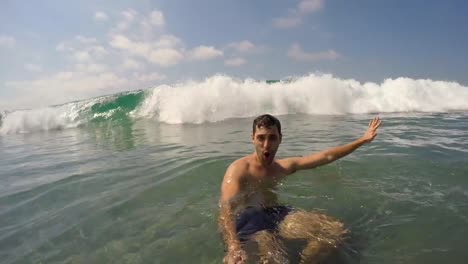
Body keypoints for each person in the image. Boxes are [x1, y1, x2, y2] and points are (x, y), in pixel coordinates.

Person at [218, 114, 382, 264]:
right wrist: (233, 246)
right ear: (252, 138)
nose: (266, 145)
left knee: (334, 230)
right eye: (261, 138)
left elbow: (326, 156)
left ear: (280, 139)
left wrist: (362, 140)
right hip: (249, 220)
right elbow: (226, 210)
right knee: (274, 256)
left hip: (276, 213)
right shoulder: (238, 170)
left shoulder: (282, 167)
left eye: (272, 138)